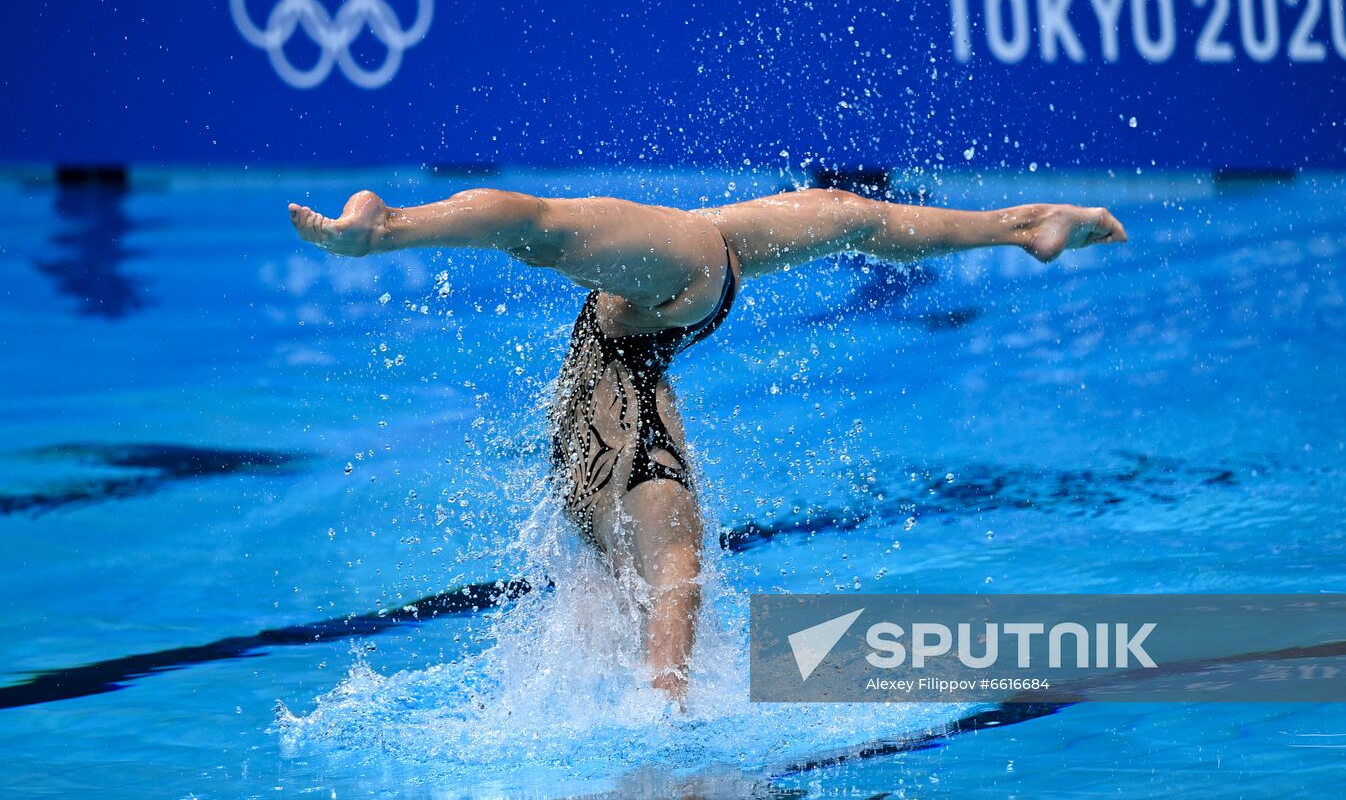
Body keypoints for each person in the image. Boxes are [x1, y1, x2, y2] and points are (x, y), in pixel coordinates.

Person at [289, 185, 1127, 700]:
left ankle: (387, 228)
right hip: (676, 300)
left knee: (846, 222)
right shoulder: (646, 479)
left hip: (672, 299)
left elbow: (536, 227)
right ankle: (1025, 224)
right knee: (854, 222)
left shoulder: (622, 478)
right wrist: (665, 703)